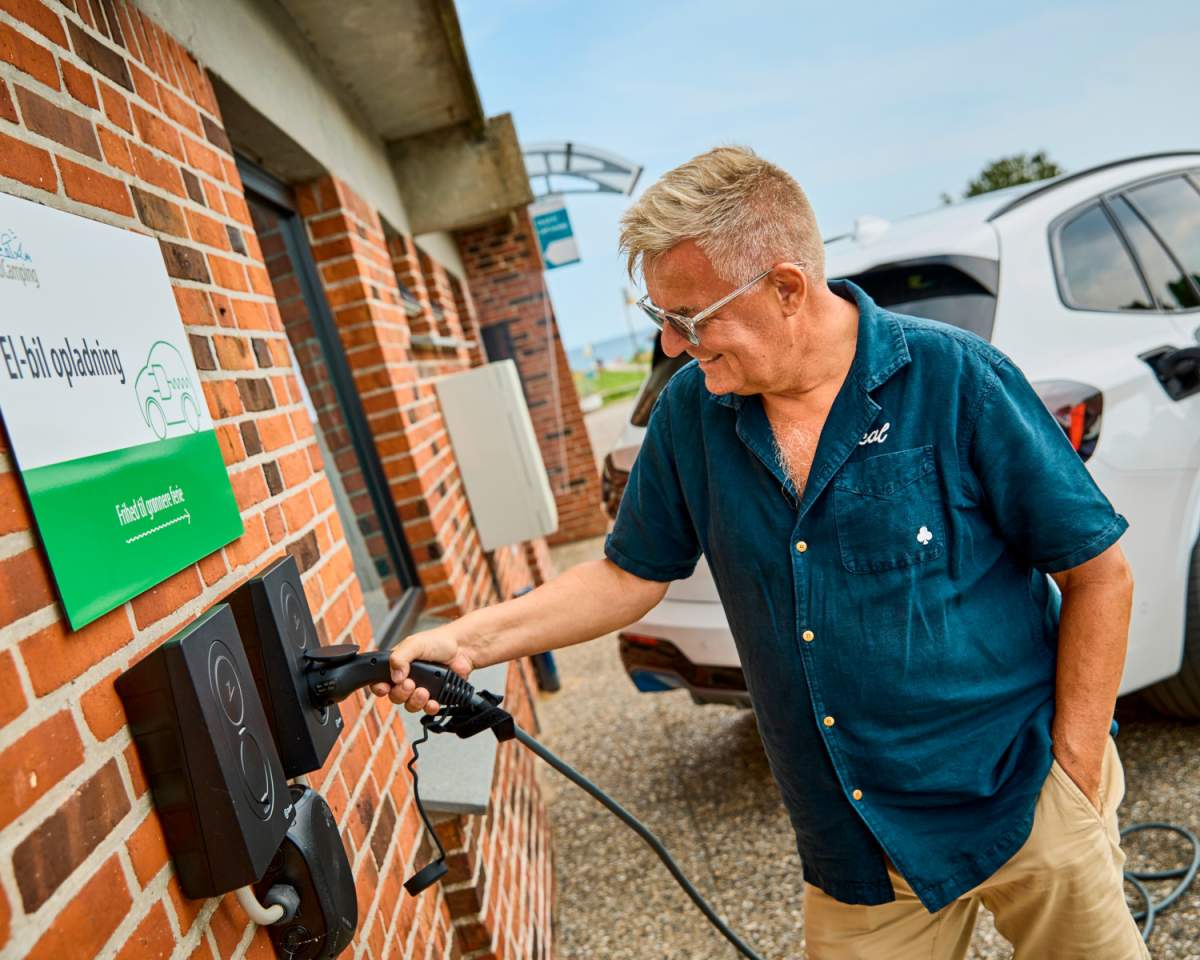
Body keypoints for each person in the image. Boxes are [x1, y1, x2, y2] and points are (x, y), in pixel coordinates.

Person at [371, 146, 1148, 958]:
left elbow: (1099, 575)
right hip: (857, 842)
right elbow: (628, 575)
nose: (672, 344)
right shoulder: (691, 415)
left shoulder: (958, 380)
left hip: (1022, 794)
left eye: (690, 318)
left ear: (786, 287)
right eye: (660, 317)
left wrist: (1074, 771)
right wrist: (468, 640)